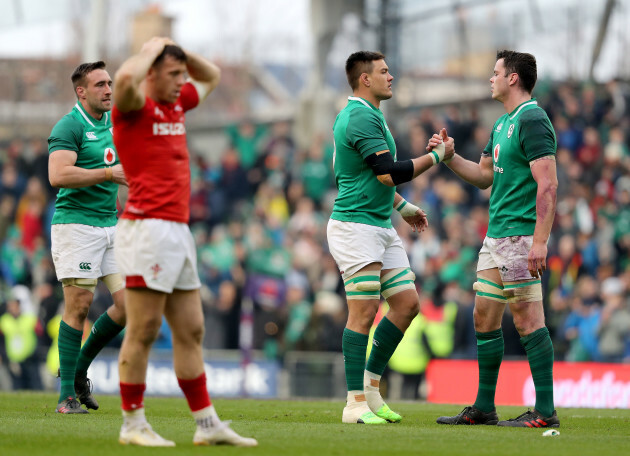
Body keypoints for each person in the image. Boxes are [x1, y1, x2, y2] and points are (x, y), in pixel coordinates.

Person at [112, 37, 257, 447]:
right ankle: (133, 423)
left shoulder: (178, 104)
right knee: (142, 329)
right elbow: (125, 76)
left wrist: (177, 52)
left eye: (181, 74)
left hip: (178, 230)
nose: (181, 80)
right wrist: (151, 50)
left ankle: (207, 425)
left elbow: (212, 74)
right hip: (146, 229)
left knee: (192, 329)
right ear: (151, 74)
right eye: (172, 74)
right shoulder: (132, 106)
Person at [428, 50, 559, 428]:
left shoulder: (533, 119)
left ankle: (546, 412)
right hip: (495, 236)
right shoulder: (503, 123)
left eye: (496, 72)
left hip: (521, 236)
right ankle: (485, 407)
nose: (491, 78)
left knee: (528, 320)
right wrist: (450, 157)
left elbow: (548, 185)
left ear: (513, 78)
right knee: (484, 317)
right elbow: (485, 174)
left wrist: (540, 241)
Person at [327, 51, 452, 424]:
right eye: (384, 72)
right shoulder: (360, 116)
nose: (391, 76)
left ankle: (371, 389)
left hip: (379, 223)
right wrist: (437, 158)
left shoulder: (370, 114)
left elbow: (364, 176)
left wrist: (402, 207)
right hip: (355, 226)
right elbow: (385, 172)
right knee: (363, 312)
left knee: (406, 304)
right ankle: (354, 403)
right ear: (365, 79)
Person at [48, 61, 128, 414]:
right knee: (78, 307)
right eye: (100, 85)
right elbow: (58, 174)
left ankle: (79, 372)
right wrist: (109, 173)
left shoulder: (116, 123)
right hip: (76, 226)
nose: (108, 89)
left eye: (109, 83)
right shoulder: (69, 125)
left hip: (112, 225)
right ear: (81, 91)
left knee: (130, 307)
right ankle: (66, 396)